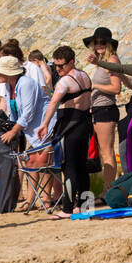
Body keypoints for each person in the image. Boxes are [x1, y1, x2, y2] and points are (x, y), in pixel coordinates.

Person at [0, 54, 52, 214]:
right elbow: (12, 111)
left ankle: (47, 198)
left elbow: (28, 112)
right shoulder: (9, 86)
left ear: (9, 73)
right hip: (28, 130)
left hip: (43, 125)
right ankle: (30, 200)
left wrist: (13, 131)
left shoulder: (26, 84)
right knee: (29, 162)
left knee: (44, 162)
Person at [36, 46, 92, 217]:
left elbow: (53, 103)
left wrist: (44, 124)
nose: (58, 69)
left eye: (62, 66)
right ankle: (84, 205)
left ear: (72, 62)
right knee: (82, 166)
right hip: (84, 124)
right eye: (56, 66)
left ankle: (67, 209)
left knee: (69, 167)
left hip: (70, 126)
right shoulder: (85, 76)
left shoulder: (65, 81)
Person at [83, 27, 121, 191]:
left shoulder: (111, 61)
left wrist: (95, 86)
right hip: (99, 109)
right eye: (96, 42)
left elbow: (116, 88)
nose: (98, 45)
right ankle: (104, 189)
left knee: (107, 153)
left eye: (102, 42)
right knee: (100, 152)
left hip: (106, 109)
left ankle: (108, 190)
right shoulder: (103, 62)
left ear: (109, 44)